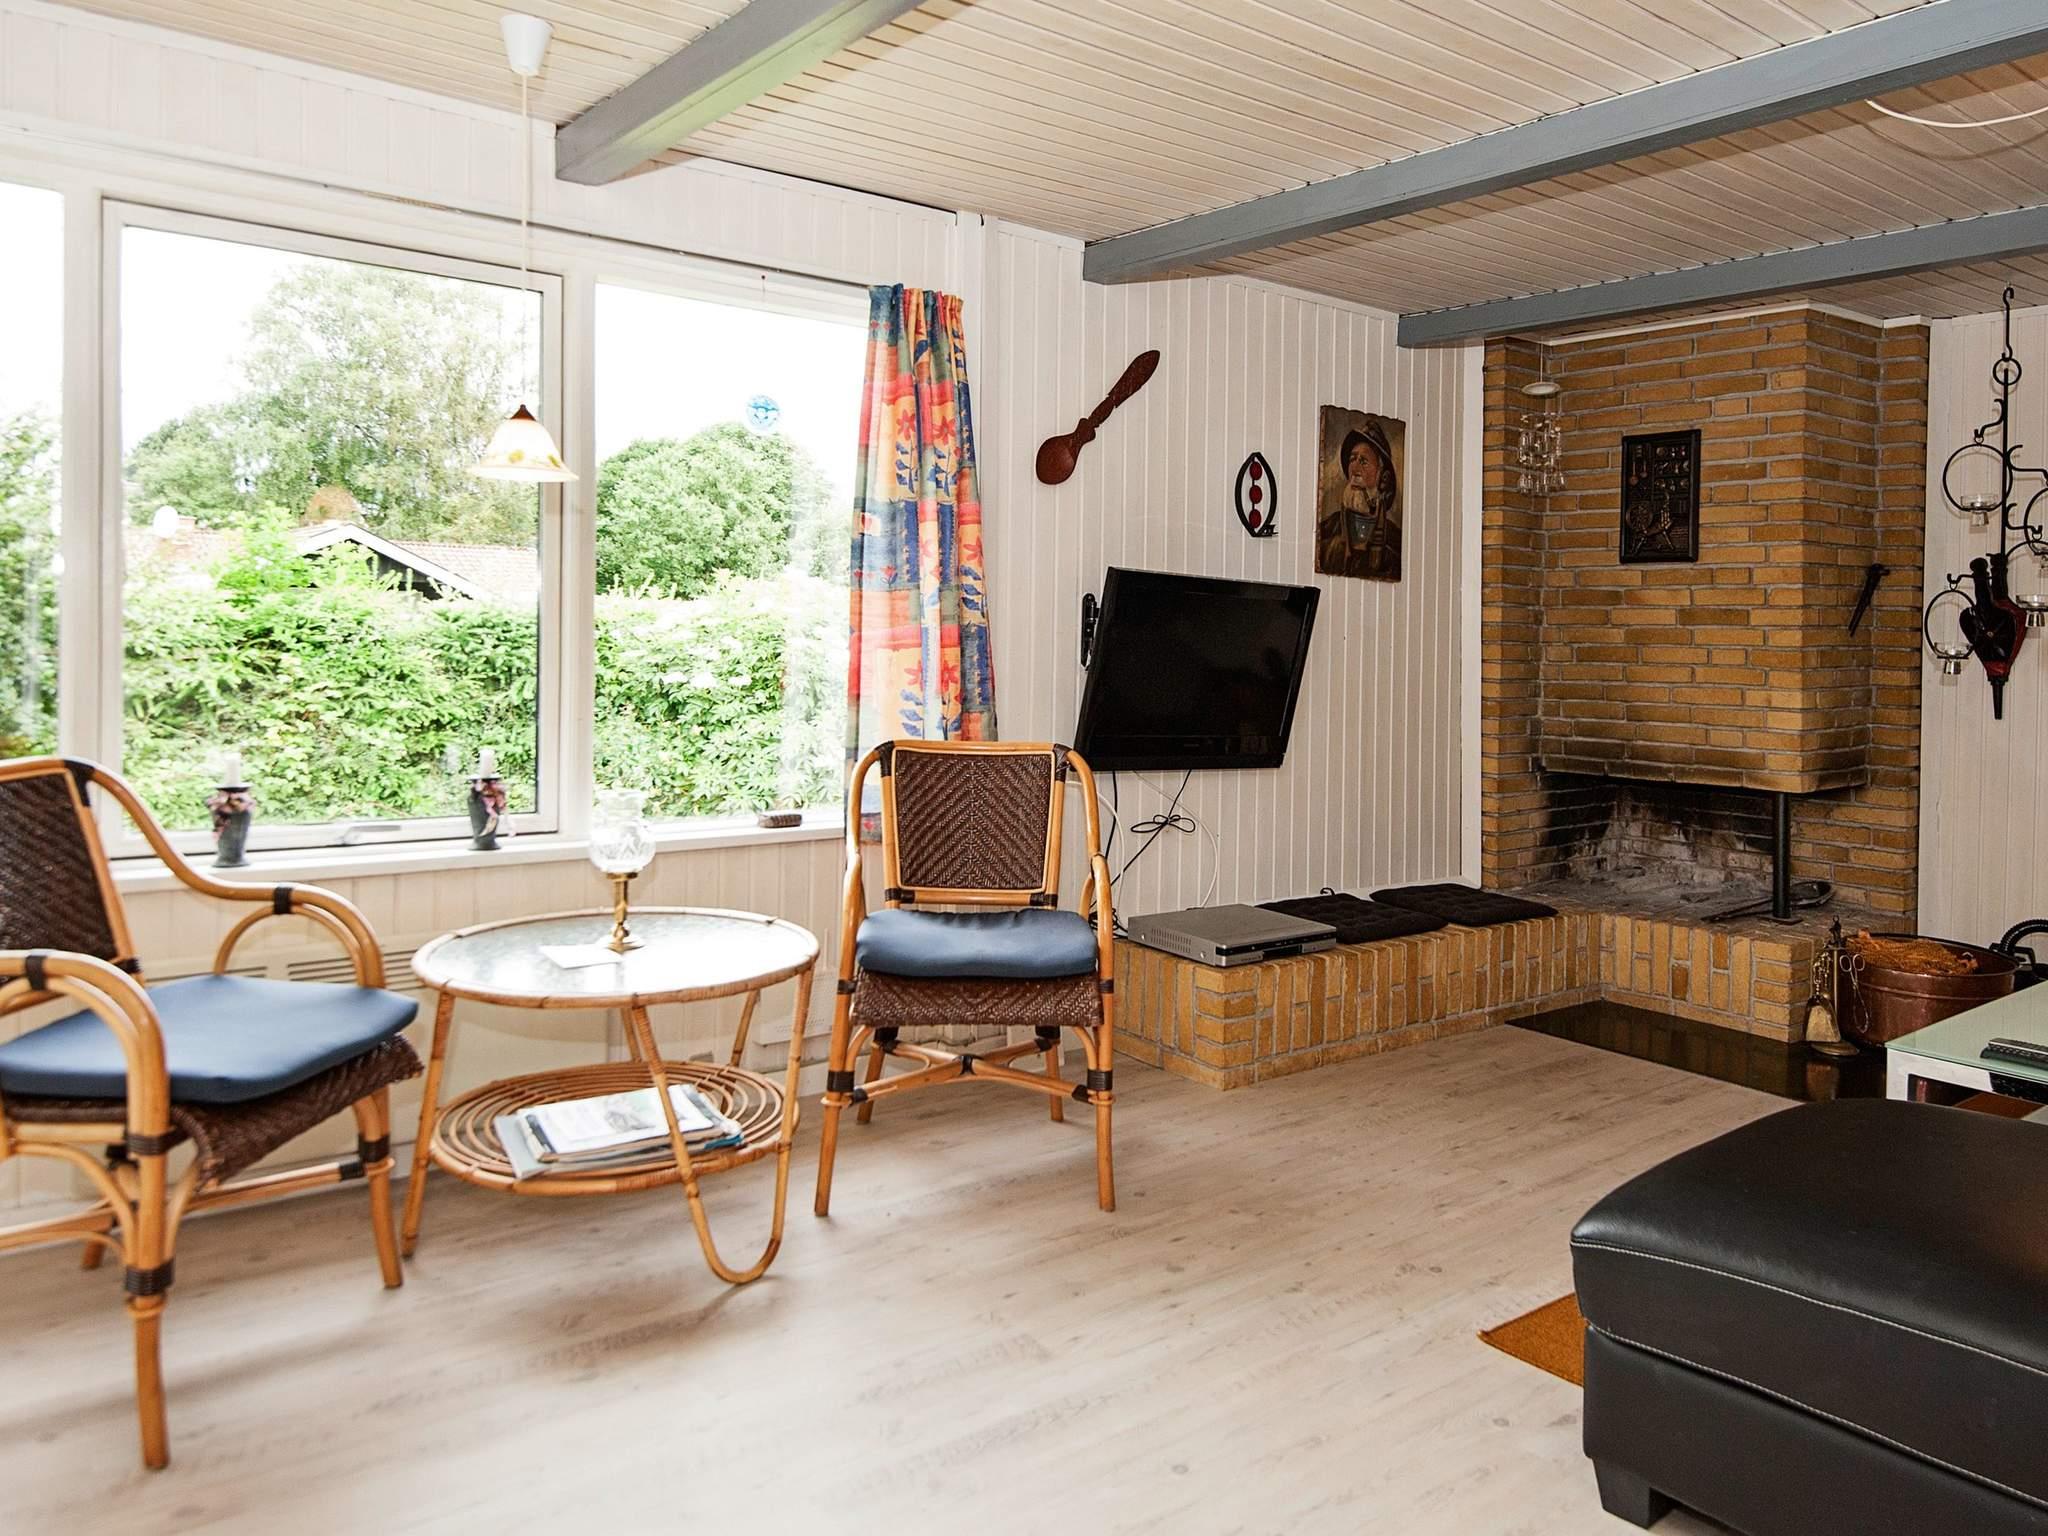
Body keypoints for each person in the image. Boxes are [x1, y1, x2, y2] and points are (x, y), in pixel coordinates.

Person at [1320, 418, 1401, 580]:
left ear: (1382, 477)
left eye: (1364, 462)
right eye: (1352, 459)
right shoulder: (1327, 529)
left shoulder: (1395, 541)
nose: (1355, 468)